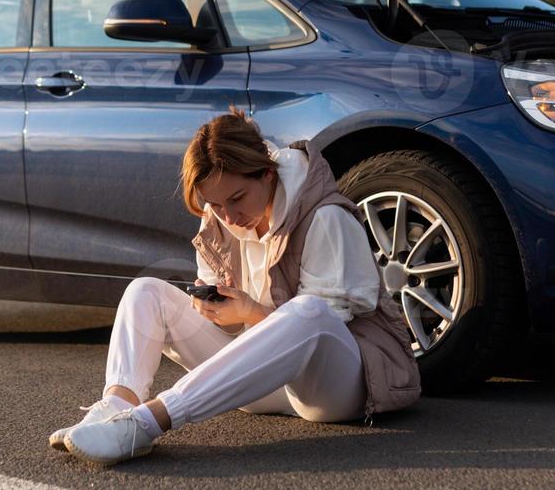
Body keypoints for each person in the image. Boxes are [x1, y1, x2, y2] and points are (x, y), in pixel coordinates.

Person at [50, 105, 421, 466]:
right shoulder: (220, 217)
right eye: (214, 204)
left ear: (267, 173)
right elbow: (228, 322)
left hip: (335, 390)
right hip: (259, 384)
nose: (227, 215)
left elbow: (322, 331)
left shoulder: (325, 217)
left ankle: (144, 425)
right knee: (146, 291)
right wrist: (217, 312)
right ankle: (115, 409)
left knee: (309, 311)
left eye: (236, 199)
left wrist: (249, 311)